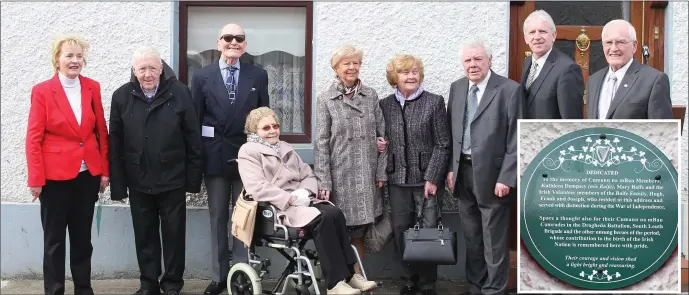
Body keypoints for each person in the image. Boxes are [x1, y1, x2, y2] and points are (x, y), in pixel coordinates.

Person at [237, 107, 367, 295]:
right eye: (266, 128)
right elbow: (256, 187)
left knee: (335, 213)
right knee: (322, 219)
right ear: (254, 131)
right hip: (278, 207)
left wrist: (305, 192)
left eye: (275, 126)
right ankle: (335, 284)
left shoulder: (285, 147)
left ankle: (350, 276)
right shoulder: (248, 152)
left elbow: (307, 173)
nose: (273, 130)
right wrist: (289, 198)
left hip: (300, 199)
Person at [109, 46, 203, 295]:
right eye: (142, 69)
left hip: (172, 179)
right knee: (145, 236)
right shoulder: (121, 97)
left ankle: (172, 284)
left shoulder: (180, 93)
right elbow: (115, 143)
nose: (148, 74)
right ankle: (148, 284)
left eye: (152, 68)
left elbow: (193, 138)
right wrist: (118, 185)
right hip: (138, 180)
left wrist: (193, 180)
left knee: (174, 236)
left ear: (161, 69)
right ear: (134, 71)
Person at [25, 35, 109, 295]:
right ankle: (54, 290)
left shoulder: (92, 87)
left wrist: (104, 170)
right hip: (54, 179)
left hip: (86, 176)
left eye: (79, 56)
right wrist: (36, 179)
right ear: (57, 60)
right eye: (69, 56)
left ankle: (84, 289)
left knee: (83, 240)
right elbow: (34, 137)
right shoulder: (42, 91)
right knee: (54, 241)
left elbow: (100, 131)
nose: (75, 61)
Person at [190, 23, 270, 295]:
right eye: (228, 37)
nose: (233, 42)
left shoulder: (258, 75)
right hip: (215, 157)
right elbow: (195, 120)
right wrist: (198, 158)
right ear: (219, 42)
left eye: (239, 38)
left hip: (248, 159)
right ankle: (218, 276)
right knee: (218, 218)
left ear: (245, 45)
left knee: (245, 218)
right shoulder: (202, 76)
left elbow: (263, 118)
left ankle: (242, 274)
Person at [446, 39, 520, 295]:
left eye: (478, 59)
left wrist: (507, 177)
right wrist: (450, 169)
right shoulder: (456, 88)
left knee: (493, 239)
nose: (472, 65)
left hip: (493, 176)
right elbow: (451, 131)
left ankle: (494, 289)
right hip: (463, 172)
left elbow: (516, 139)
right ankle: (475, 286)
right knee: (472, 237)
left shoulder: (510, 90)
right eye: (467, 60)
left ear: (489, 61)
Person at [313, 45, 384, 292]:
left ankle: (357, 277)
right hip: (339, 174)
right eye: (346, 63)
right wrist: (323, 181)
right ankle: (340, 281)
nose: (352, 67)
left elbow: (383, 138)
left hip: (365, 173)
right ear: (336, 68)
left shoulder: (371, 96)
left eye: (356, 63)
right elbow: (321, 142)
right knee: (341, 229)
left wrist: (381, 172)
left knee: (359, 232)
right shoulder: (325, 98)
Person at [378, 54, 450, 295]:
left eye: (415, 72)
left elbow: (442, 144)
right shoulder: (385, 105)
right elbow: (381, 138)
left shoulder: (434, 102)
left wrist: (433, 177)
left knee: (428, 230)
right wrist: (380, 144)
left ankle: (428, 283)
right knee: (402, 229)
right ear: (394, 78)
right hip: (397, 178)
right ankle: (408, 279)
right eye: (405, 72)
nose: (411, 76)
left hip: (426, 181)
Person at [587, 19, 673, 119]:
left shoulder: (654, 81)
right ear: (603, 45)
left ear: (634, 46)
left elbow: (661, 130)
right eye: (609, 42)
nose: (614, 48)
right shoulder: (593, 81)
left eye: (620, 42)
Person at [521, 9, 584, 119]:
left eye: (542, 31)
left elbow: (571, 121)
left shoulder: (567, 69)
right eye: (532, 32)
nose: (537, 37)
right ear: (526, 38)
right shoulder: (528, 62)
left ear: (554, 35)